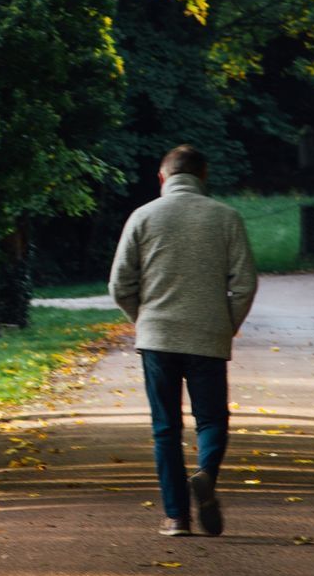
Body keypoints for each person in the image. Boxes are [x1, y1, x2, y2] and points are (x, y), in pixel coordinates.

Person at [107, 144, 258, 536]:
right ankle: (205, 471)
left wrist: (144, 321)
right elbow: (244, 284)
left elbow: (119, 284)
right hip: (208, 335)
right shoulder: (227, 218)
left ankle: (176, 518)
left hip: (157, 337)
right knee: (211, 419)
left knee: (165, 427)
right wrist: (228, 325)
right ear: (203, 176)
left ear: (162, 178)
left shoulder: (142, 217)